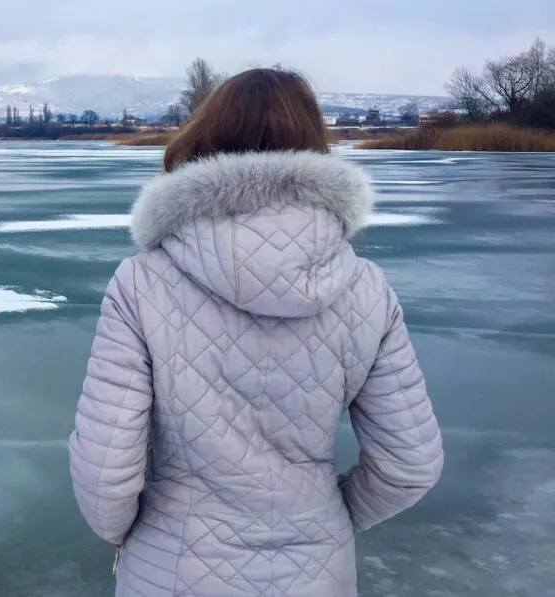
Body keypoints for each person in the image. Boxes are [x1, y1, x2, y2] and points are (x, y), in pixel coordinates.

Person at [68, 68, 444, 597]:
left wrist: (143, 532)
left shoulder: (142, 282)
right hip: (317, 573)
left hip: (174, 569)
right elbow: (410, 465)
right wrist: (321, 519)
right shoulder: (365, 289)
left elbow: (106, 470)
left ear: (203, 137)